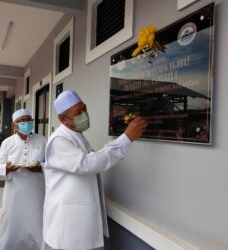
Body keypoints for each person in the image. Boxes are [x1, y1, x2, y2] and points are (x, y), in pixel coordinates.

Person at [42, 91, 148, 250]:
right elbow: (88, 164)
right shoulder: (59, 140)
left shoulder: (77, 135)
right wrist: (126, 138)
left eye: (84, 109)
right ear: (63, 119)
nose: (84, 114)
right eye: (78, 113)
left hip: (79, 221)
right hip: (67, 225)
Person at [0, 109, 46, 250]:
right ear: (14, 125)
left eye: (29, 120)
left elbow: (50, 164)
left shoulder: (41, 140)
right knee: (12, 223)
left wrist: (40, 167)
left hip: (36, 191)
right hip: (14, 192)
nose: (26, 123)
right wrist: (7, 168)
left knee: (36, 222)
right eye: (22, 121)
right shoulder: (7, 143)